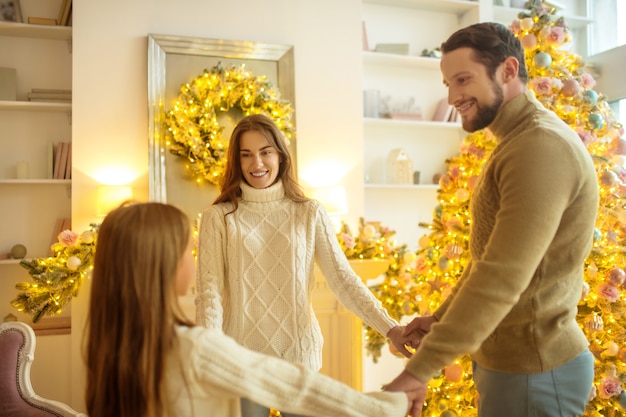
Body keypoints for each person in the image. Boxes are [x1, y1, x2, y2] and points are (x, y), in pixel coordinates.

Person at [383, 22, 599, 417]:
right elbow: (487, 258)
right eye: (447, 83)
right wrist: (440, 319)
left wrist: (420, 369)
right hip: (516, 369)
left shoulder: (539, 146)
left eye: (463, 79)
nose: (452, 96)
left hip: (535, 370)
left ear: (509, 70)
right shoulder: (516, 142)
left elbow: (503, 274)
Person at [84, 201, 422, 417]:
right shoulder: (190, 350)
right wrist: (392, 403)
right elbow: (296, 387)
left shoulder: (109, 349)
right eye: (189, 250)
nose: (194, 260)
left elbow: (345, 282)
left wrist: (389, 327)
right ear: (162, 266)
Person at [195, 113, 415, 417]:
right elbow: (209, 294)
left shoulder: (309, 213)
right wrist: (212, 355)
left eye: (265, 152)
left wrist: (390, 329)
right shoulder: (218, 217)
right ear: (237, 161)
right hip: (240, 360)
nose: (256, 164)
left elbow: (343, 280)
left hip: (299, 355)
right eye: (246, 155)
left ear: (282, 157)